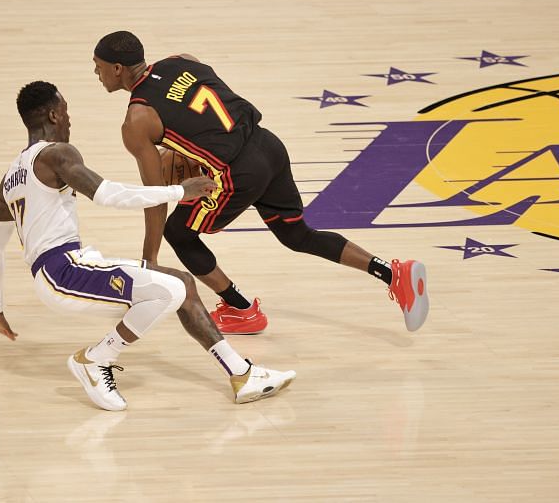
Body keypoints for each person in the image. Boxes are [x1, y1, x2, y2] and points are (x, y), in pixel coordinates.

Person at [0, 80, 296, 411]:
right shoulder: (57, 154)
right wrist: (178, 192)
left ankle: (242, 375)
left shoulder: (11, 177)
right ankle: (96, 358)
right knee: (171, 291)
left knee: (182, 286)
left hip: (59, 272)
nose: (70, 120)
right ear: (55, 115)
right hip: (65, 272)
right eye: (68, 112)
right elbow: (107, 194)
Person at [92, 31, 429, 335]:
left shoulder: (137, 120)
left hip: (238, 173)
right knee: (296, 234)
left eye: (98, 66)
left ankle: (241, 309)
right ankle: (393, 273)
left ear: (118, 68)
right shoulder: (181, 61)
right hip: (268, 145)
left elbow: (156, 197)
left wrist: (148, 261)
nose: (97, 74)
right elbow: (201, 106)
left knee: (178, 232)